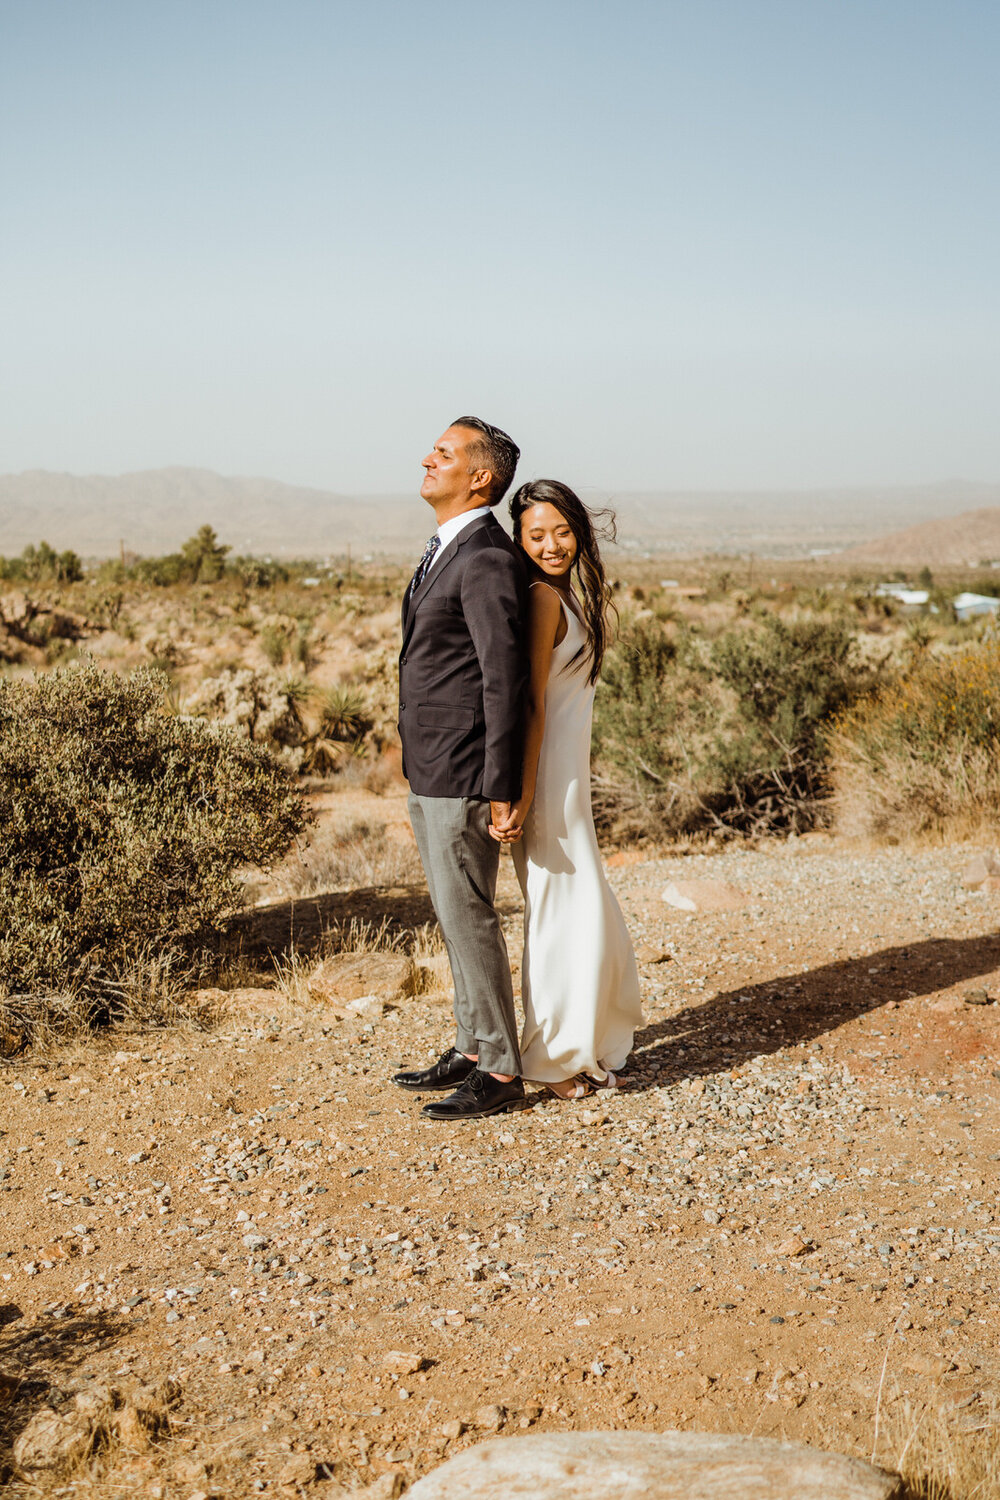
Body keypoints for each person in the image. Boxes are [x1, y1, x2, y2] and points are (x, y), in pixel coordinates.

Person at [392, 417, 528, 1121]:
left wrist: (502, 787)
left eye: (443, 453)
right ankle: (472, 1046)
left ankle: (501, 1070)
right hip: (431, 764)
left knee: (469, 914)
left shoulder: (485, 558)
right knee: (451, 910)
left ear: (481, 476)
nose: (427, 459)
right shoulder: (453, 548)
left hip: (466, 770)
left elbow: (505, 682)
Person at [493, 479, 642, 1098]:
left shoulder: (563, 593)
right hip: (547, 780)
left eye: (561, 530)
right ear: (519, 540)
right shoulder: (540, 598)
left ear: (578, 529)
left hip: (567, 781)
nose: (551, 544)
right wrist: (520, 793)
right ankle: (551, 1060)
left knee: (582, 909)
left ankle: (577, 1042)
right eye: (536, 534)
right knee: (560, 913)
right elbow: (529, 703)